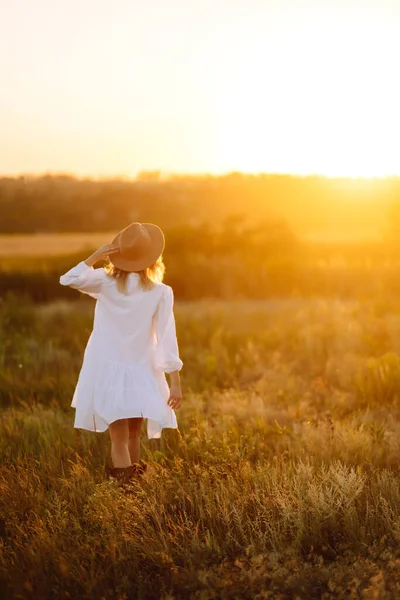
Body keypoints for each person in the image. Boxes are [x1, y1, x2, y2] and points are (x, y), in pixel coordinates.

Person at [59, 222, 183, 485]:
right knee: (133, 436)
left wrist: (95, 256)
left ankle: (125, 493)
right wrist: (175, 384)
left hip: (107, 370)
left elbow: (68, 279)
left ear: (119, 254)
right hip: (142, 369)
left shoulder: (105, 282)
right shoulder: (160, 292)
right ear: (152, 257)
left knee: (118, 437)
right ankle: (133, 491)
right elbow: (166, 338)